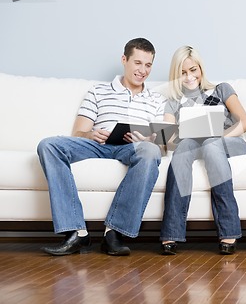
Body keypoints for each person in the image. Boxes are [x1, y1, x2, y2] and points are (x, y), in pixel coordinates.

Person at [38, 38, 166, 256]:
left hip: (132, 147)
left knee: (151, 151)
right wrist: (90, 134)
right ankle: (76, 233)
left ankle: (113, 233)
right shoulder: (97, 91)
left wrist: (147, 140)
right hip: (98, 145)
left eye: (148, 65)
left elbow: (162, 146)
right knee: (49, 145)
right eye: (138, 63)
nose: (143, 70)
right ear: (124, 60)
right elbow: (78, 133)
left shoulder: (158, 100)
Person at [160, 46, 246, 255]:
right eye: (183, 73)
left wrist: (218, 138)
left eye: (193, 70)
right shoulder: (173, 102)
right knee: (182, 149)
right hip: (194, 144)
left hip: (229, 142)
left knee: (211, 143)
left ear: (201, 68)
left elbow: (244, 123)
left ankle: (229, 230)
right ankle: (171, 232)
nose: (189, 77)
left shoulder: (221, 89)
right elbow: (168, 139)